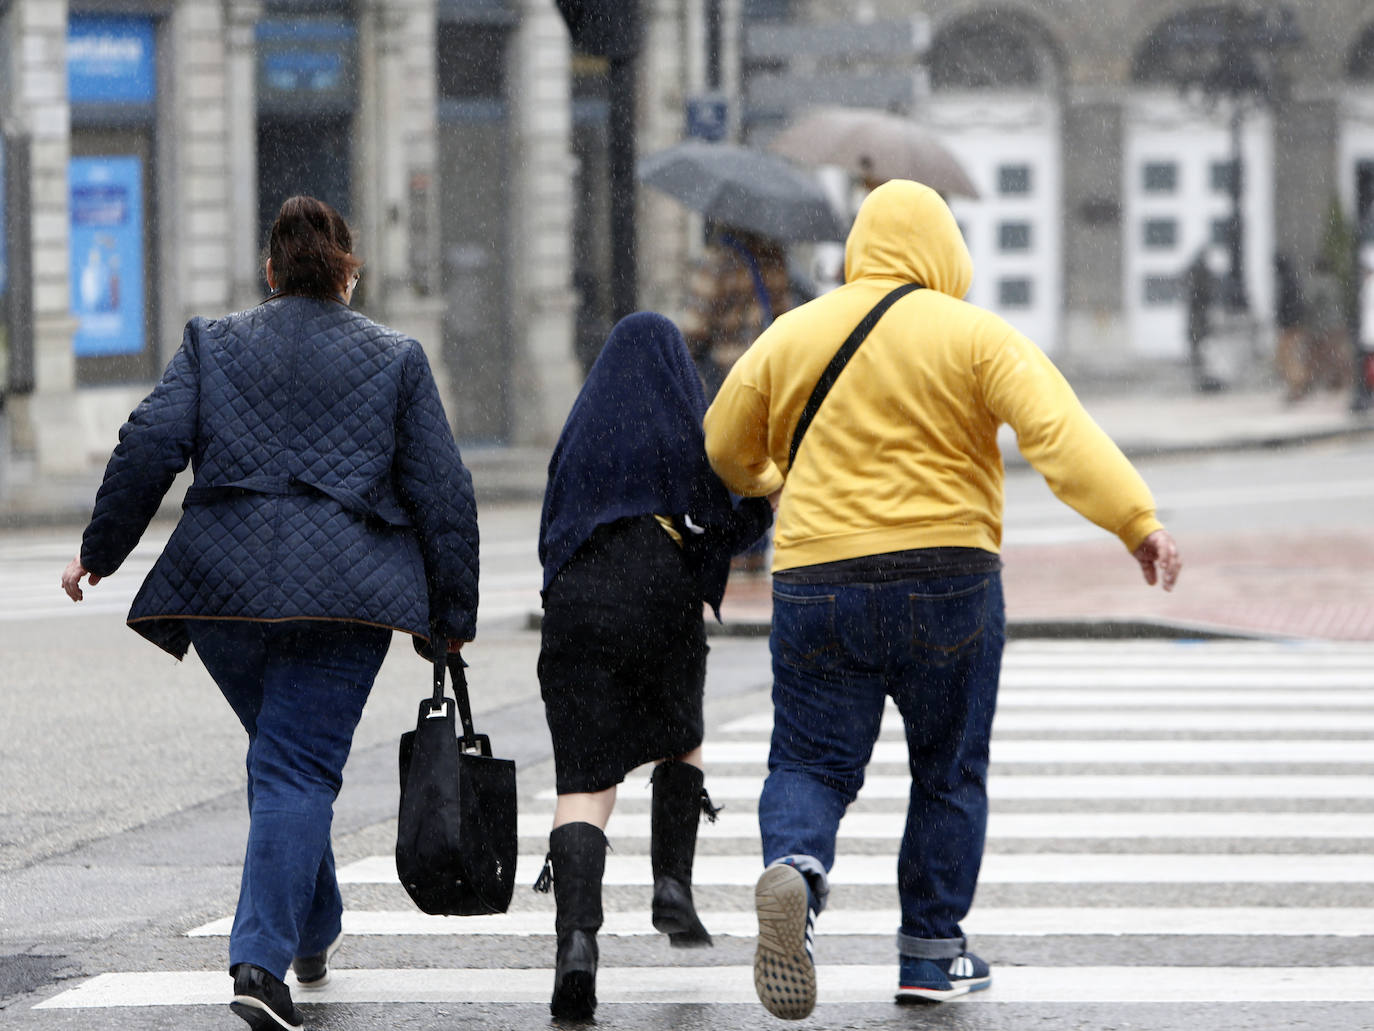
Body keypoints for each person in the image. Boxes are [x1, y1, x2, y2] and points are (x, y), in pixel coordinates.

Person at [702, 179, 1182, 1020]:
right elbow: (1059, 435)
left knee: (810, 760)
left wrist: (771, 478)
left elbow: (722, 442)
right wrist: (1134, 521)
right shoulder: (975, 335)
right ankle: (931, 949)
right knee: (948, 768)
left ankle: (798, 867)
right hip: (948, 576)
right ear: (945, 250)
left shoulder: (794, 333)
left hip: (819, 577)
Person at [60, 195, 479, 1031]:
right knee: (297, 767)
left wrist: (100, 551)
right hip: (344, 596)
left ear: (270, 272)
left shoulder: (212, 343)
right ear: (348, 274)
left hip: (223, 594)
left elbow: (149, 443)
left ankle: (314, 928)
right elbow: (443, 493)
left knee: (283, 757)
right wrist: (451, 614)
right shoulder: (396, 359)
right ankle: (260, 962)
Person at [532, 311, 772, 1021]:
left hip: (576, 603)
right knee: (680, 736)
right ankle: (672, 884)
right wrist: (764, 501)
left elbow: (551, 532)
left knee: (584, 782)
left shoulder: (580, 436)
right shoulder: (686, 430)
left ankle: (577, 944)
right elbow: (727, 522)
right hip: (660, 592)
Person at [680, 223, 792, 400]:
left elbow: (694, 328)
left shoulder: (717, 261)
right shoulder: (774, 259)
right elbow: (784, 319)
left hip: (726, 376)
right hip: (765, 374)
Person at [1273, 252, 1310, 402]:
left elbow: (1288, 306)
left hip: (1290, 326)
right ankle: (1298, 385)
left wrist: (1285, 321)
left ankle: (1298, 385)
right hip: (1292, 324)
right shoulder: (1291, 280)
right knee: (1287, 357)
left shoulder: (1286, 282)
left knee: (1286, 357)